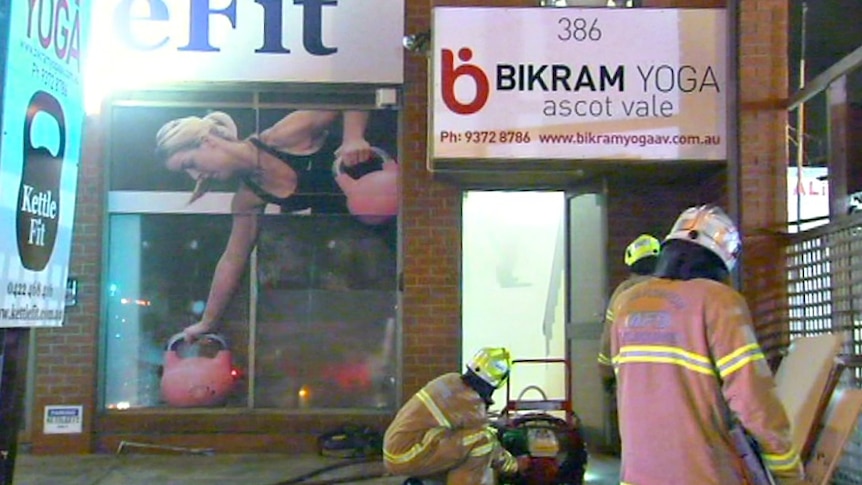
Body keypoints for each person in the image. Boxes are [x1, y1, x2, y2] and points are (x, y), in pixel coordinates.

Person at [605, 205, 804, 484]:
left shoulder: (627, 303)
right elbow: (752, 398)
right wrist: (788, 469)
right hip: (702, 474)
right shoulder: (718, 301)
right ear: (721, 260)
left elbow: (623, 381)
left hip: (637, 475)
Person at [154, 109, 376, 340]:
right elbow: (232, 261)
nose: (196, 176)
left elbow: (349, 99)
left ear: (207, 142)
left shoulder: (285, 135)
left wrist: (353, 137)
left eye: (190, 163)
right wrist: (207, 323)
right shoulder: (248, 198)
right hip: (375, 220)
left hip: (399, 177)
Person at [383, 347, 530, 485]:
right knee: (484, 442)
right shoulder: (472, 405)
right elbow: (488, 441)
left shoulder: (450, 380)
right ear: (499, 381)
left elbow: (459, 423)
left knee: (460, 443)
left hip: (398, 448)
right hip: (408, 454)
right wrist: (515, 465)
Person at [597, 233, 660, 387]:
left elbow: (608, 338)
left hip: (630, 376)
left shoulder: (622, 292)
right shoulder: (674, 289)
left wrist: (606, 373)